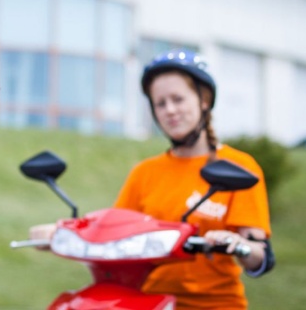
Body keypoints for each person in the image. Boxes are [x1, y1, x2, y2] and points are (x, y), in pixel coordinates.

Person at [30, 49, 274, 309]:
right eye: (160, 103)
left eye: (178, 99)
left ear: (204, 100)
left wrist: (238, 245)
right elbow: (113, 233)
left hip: (214, 304)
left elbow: (260, 256)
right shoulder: (145, 172)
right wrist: (62, 230)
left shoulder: (238, 166)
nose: (170, 110)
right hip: (148, 301)